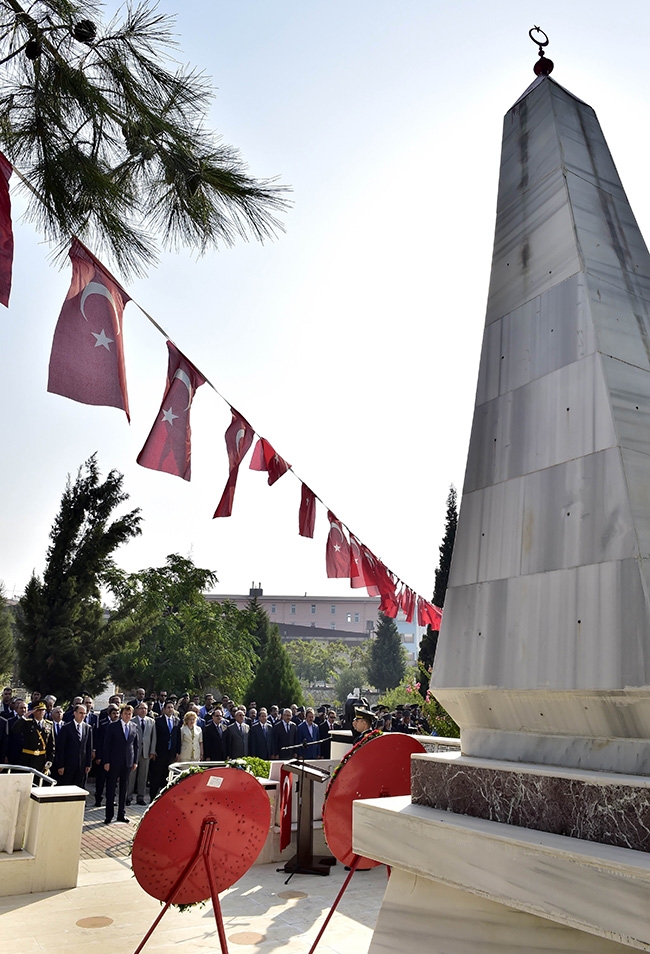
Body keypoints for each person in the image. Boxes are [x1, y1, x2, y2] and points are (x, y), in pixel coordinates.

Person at [103, 704, 139, 824]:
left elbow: (136, 746)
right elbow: (106, 745)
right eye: (125, 713)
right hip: (114, 762)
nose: (127, 716)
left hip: (127, 762)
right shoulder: (113, 726)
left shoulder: (134, 726)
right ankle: (109, 815)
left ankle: (121, 814)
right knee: (111, 788)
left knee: (124, 789)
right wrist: (106, 761)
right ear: (121, 714)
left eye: (130, 714)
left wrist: (135, 761)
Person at [149, 700, 181, 801]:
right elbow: (154, 736)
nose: (170, 709)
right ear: (164, 709)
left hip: (171, 752)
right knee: (156, 775)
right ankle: (152, 797)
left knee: (167, 776)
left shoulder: (177, 721)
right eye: (168, 707)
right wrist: (153, 750)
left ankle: (164, 797)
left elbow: (178, 737)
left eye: (172, 707)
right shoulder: (158, 721)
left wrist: (177, 752)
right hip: (160, 752)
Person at [11, 700, 54, 774]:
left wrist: (50, 760)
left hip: (41, 759)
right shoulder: (27, 723)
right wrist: (24, 717)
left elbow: (51, 744)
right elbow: (14, 729)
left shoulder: (49, 725)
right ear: (34, 711)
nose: (41, 712)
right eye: (38, 710)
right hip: (27, 758)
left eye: (43, 710)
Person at [56, 703, 93, 787]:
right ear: (75, 713)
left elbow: (89, 747)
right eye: (80, 713)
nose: (82, 715)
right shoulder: (66, 727)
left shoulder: (88, 728)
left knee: (80, 788)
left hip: (82, 766)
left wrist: (88, 764)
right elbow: (61, 748)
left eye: (84, 713)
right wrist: (61, 765)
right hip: (68, 765)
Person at [127, 702, 157, 805]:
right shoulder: (132, 721)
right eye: (141, 708)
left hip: (146, 752)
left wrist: (152, 751)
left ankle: (141, 797)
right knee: (131, 775)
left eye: (145, 708)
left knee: (143, 776)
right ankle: (128, 797)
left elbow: (154, 737)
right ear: (137, 710)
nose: (143, 710)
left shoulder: (151, 721)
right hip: (134, 752)